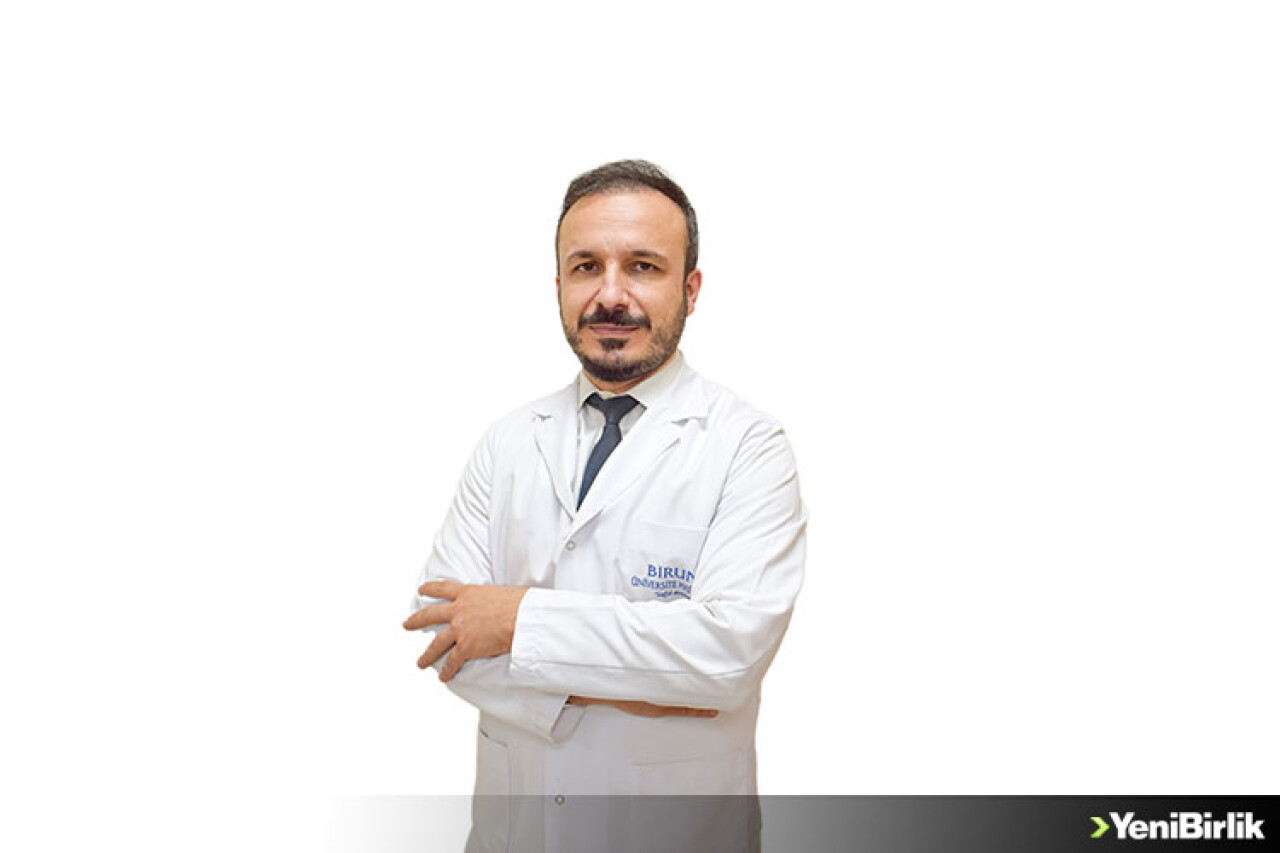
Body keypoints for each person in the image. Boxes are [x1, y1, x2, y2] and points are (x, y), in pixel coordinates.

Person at [404, 160, 806, 853]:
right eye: (586, 266)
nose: (610, 295)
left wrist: (517, 621)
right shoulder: (507, 442)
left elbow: (726, 657)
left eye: (643, 267)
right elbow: (445, 634)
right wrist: (647, 682)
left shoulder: (748, 448)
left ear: (690, 289)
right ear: (559, 285)